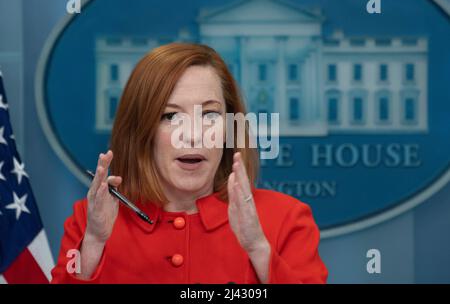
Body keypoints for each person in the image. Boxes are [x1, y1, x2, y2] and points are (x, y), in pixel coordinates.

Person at [50, 43, 328, 284]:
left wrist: (258, 249)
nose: (194, 135)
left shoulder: (286, 218)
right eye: (171, 117)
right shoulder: (89, 221)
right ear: (141, 131)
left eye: (209, 114)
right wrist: (94, 246)